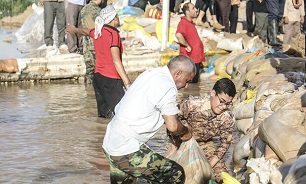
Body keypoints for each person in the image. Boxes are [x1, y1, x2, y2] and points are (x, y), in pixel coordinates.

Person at [102, 55, 196, 183]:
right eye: (187, 80)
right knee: (175, 173)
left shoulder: (151, 73)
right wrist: (186, 132)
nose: (186, 86)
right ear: (178, 73)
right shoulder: (168, 86)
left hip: (111, 141)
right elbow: (173, 127)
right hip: (125, 149)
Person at [66, 5, 131, 118]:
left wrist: (74, 29)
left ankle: (100, 134)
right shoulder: (113, 34)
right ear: (114, 18)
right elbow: (116, 60)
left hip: (98, 79)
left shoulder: (98, 31)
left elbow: (85, 31)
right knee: (123, 114)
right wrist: (127, 82)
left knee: (103, 116)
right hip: (111, 80)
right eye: (117, 16)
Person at [167, 78, 237, 183]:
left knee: (221, 175)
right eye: (222, 101)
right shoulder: (192, 104)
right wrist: (173, 146)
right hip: (182, 142)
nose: (223, 107)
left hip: (206, 143)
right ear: (213, 93)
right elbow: (171, 121)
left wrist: (209, 165)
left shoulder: (227, 117)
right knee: (172, 172)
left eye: (228, 103)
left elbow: (224, 144)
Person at [175, 2, 205, 83]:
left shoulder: (189, 23)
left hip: (194, 60)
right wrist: (187, 45)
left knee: (194, 85)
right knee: (189, 86)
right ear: (187, 12)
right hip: (189, 61)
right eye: (193, 8)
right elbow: (178, 35)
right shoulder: (183, 23)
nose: (196, 10)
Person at [80, 0, 106, 84]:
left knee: (89, 70)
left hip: (86, 43)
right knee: (98, 71)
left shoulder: (84, 9)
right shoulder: (97, 10)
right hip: (96, 43)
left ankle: (88, 92)